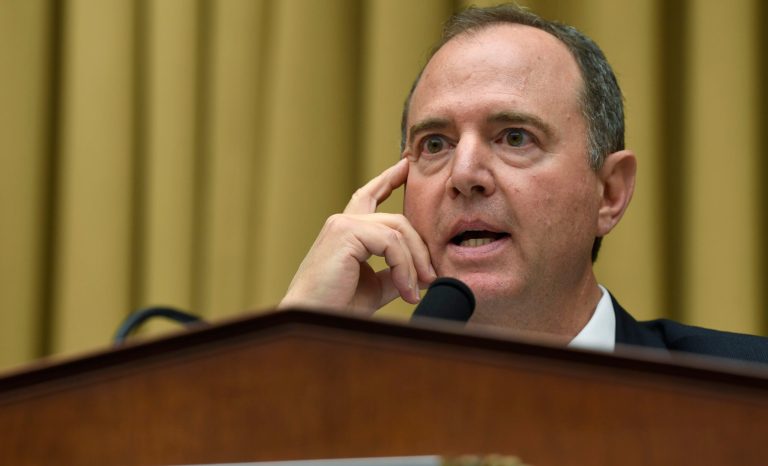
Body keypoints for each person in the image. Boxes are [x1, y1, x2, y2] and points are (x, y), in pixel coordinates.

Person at [280, 4, 768, 363]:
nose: (465, 175)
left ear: (610, 192)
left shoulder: (744, 394)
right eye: (435, 144)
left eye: (515, 137)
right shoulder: (331, 409)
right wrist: (289, 347)